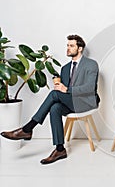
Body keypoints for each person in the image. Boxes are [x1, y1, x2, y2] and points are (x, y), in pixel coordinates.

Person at [1, 35, 100, 164]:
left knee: (54, 95)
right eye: (67, 45)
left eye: (71, 46)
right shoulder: (65, 68)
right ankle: (60, 149)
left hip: (86, 102)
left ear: (80, 48)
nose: (68, 48)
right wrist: (60, 88)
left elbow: (90, 88)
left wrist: (66, 90)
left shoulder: (91, 64)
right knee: (55, 108)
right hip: (71, 102)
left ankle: (28, 128)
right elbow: (64, 92)